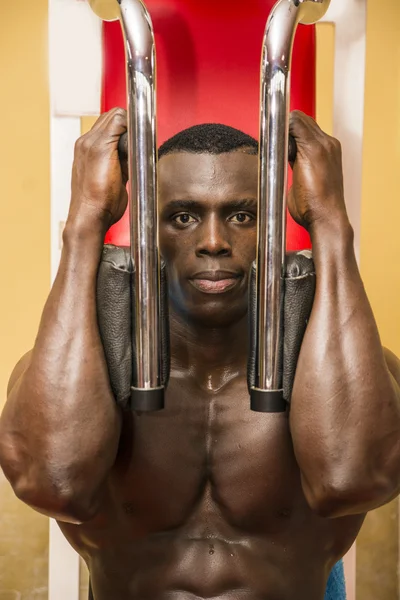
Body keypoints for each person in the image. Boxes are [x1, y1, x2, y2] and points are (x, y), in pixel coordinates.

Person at [0, 107, 399, 600]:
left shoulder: (349, 370)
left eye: (242, 216)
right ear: (147, 231)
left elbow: (353, 481)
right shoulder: (81, 372)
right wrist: (85, 223)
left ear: (275, 226)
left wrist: (331, 223)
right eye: (183, 217)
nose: (213, 242)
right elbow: (52, 483)